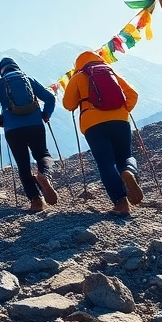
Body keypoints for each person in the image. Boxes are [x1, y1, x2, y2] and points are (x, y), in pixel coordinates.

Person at [62, 51, 141, 216]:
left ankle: (121, 203)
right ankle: (128, 171)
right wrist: (123, 110)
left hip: (93, 125)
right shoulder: (111, 72)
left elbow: (68, 104)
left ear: (78, 65)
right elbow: (133, 94)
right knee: (125, 155)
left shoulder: (78, 76)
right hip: (120, 120)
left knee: (105, 163)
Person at [0, 57, 59, 212]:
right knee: (43, 155)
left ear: (2, 72)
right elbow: (50, 98)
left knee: (23, 164)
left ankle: (36, 201)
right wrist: (45, 114)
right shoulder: (28, 80)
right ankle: (44, 175)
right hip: (35, 125)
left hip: (12, 129)